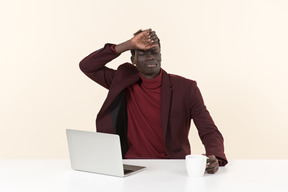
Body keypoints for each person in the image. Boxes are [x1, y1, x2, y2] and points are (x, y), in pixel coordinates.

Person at [79, 28, 228, 174]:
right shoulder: (121, 81)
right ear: (133, 60)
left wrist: (215, 156)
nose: (150, 57)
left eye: (154, 52)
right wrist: (127, 45)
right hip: (131, 165)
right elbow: (87, 66)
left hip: (173, 167)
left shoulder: (186, 88)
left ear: (160, 55)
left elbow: (208, 129)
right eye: (142, 53)